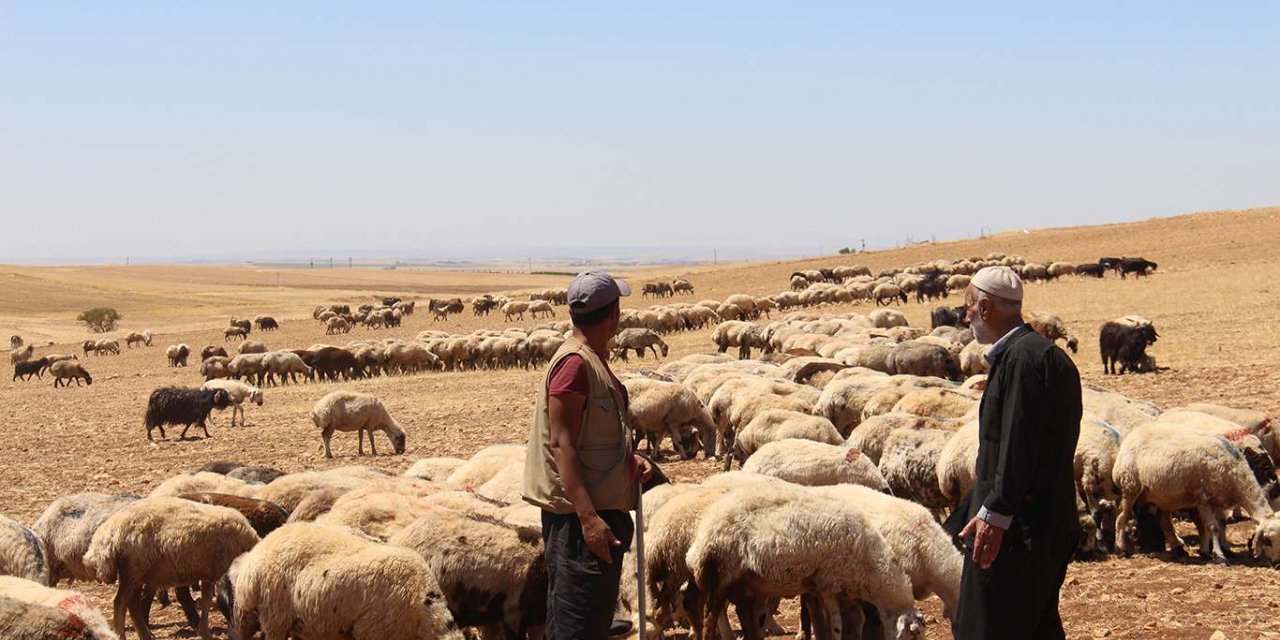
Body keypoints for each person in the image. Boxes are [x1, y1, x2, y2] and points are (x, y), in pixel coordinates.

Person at [950, 266, 1082, 640]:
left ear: (986, 307)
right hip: (1046, 521)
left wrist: (996, 512)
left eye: (969, 307)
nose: (966, 316)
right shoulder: (1044, 356)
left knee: (987, 627)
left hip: (1017, 530)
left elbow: (1017, 442)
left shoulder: (1022, 362)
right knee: (1035, 626)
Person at [522, 271, 652, 640]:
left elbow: (590, 435)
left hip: (592, 514)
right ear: (613, 315)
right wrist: (589, 518)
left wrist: (627, 463)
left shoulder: (590, 360)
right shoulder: (574, 365)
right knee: (576, 627)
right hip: (579, 524)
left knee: (589, 623)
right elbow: (562, 444)